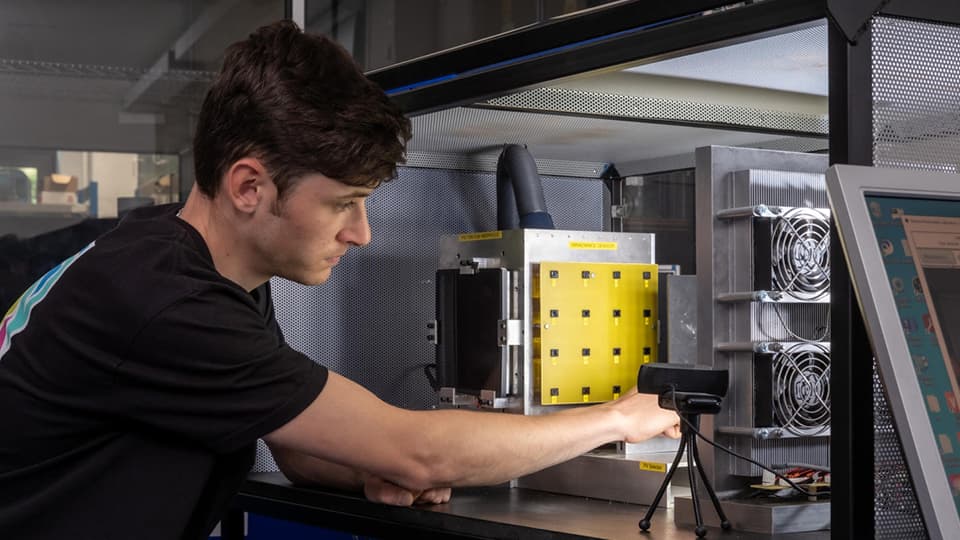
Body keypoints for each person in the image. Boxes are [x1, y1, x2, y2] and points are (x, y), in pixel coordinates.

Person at [0, 20, 680, 540]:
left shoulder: (190, 263)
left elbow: (296, 446)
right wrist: (618, 417)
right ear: (249, 187)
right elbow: (418, 452)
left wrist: (364, 469)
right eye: (341, 204)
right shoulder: (170, 302)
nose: (362, 233)